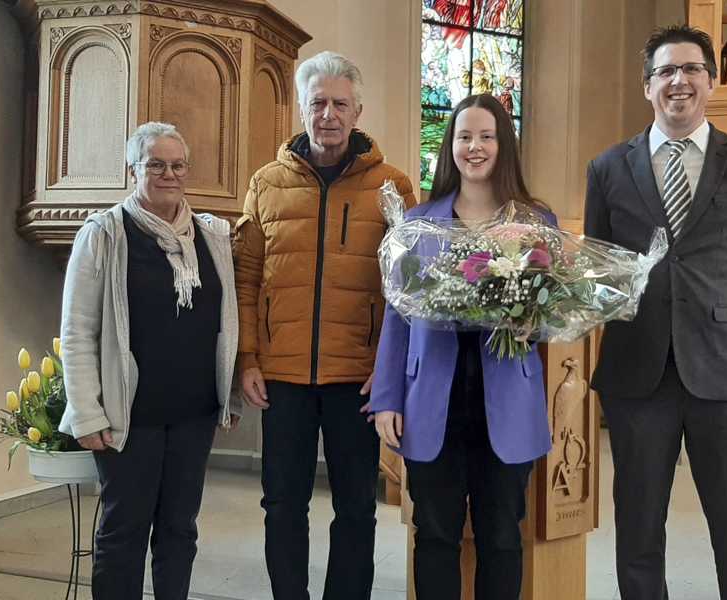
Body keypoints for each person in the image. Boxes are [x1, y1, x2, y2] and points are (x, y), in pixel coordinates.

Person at [583, 25, 727, 600]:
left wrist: (722, 325)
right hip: (637, 374)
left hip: (725, 371)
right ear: (647, 86)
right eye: (666, 71)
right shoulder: (607, 168)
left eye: (692, 68)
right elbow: (601, 268)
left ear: (711, 83)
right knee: (639, 530)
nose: (679, 81)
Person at [232, 50, 416, 600]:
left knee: (356, 504)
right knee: (282, 501)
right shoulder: (266, 183)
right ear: (301, 109)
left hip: (357, 376)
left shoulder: (393, 187)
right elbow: (246, 278)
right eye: (318, 103)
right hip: (282, 373)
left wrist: (388, 369)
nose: (328, 114)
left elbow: (406, 289)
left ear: (358, 110)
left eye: (340, 103)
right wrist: (248, 358)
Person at [371, 93, 553, 600]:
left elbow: (552, 312)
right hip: (432, 400)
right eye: (464, 136)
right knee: (434, 535)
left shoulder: (536, 222)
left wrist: (530, 323)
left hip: (507, 401)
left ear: (504, 145)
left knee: (501, 537)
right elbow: (398, 315)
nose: (474, 147)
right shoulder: (417, 224)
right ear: (450, 145)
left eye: (486, 136)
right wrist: (387, 396)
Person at [58, 121, 241, 600]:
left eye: (178, 165)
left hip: (193, 412)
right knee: (125, 531)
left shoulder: (210, 236)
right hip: (127, 414)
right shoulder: (104, 234)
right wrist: (86, 411)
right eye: (156, 164)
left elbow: (227, 320)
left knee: (180, 529)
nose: (168, 174)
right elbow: (77, 332)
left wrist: (229, 393)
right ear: (133, 168)